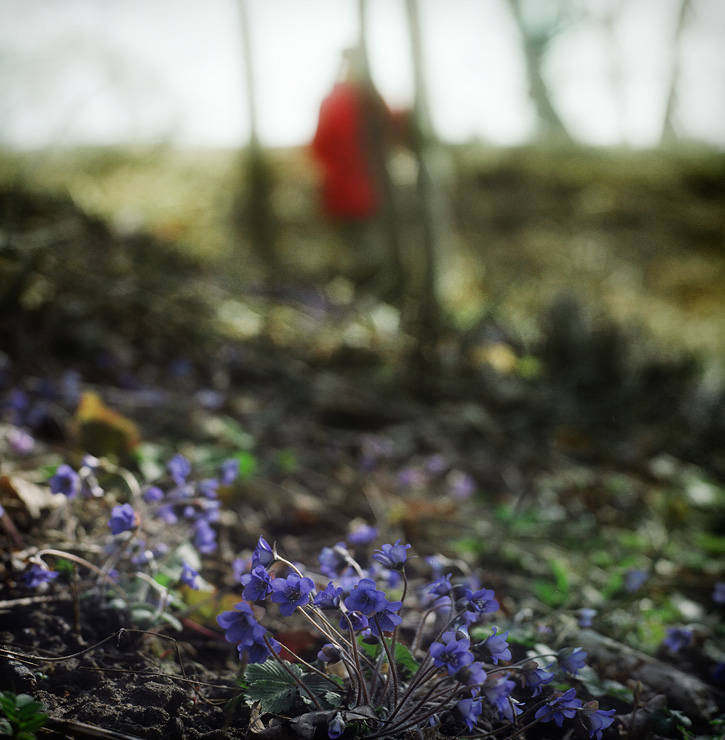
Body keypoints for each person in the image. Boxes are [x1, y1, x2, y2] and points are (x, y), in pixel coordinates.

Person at [310, 47, 395, 289]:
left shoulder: (335, 101)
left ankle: (363, 293)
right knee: (369, 250)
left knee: (355, 252)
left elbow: (318, 146)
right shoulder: (375, 102)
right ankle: (373, 291)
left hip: (345, 191)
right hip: (375, 191)